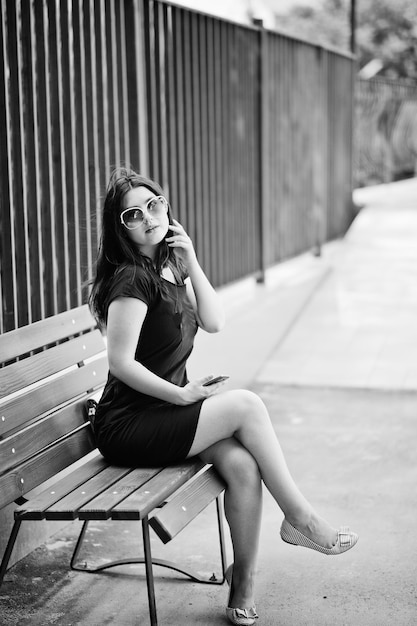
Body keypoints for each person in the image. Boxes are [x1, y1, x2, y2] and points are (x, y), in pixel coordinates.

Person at [89, 167, 358, 626]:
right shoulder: (131, 280)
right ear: (122, 228)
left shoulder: (168, 266)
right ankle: (301, 518)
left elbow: (214, 322)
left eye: (154, 205)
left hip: (160, 414)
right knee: (246, 405)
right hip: (128, 424)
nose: (149, 218)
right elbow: (121, 364)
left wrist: (191, 259)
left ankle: (243, 585)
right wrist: (181, 395)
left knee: (242, 463)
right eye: (134, 214)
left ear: (166, 206)